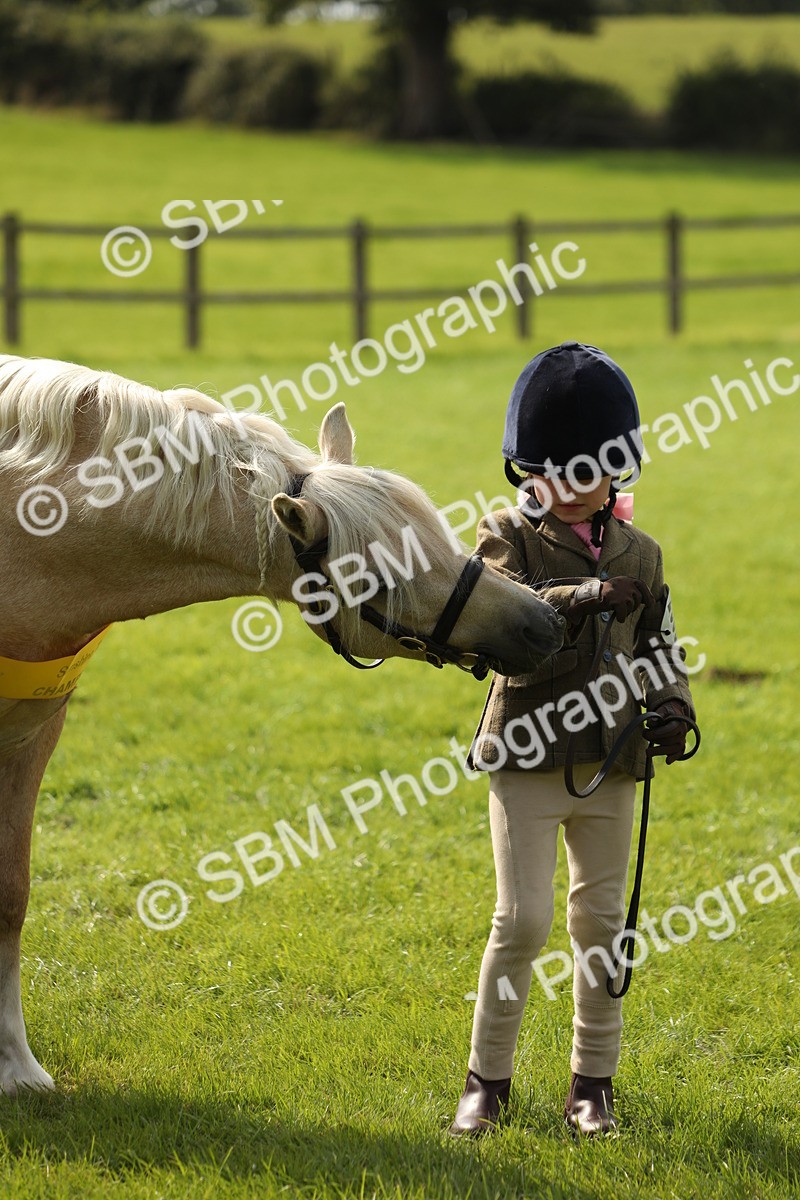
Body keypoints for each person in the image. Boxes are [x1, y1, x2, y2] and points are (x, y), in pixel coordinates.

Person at [449, 341, 697, 1138]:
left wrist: (676, 708)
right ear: (526, 470)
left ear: (616, 471)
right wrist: (588, 595)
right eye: (548, 475)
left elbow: (661, 642)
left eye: (584, 474)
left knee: (601, 924)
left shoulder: (643, 552)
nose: (563, 490)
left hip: (613, 759)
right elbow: (508, 613)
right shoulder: (504, 536)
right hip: (526, 752)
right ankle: (487, 1081)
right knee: (520, 923)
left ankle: (593, 1085)